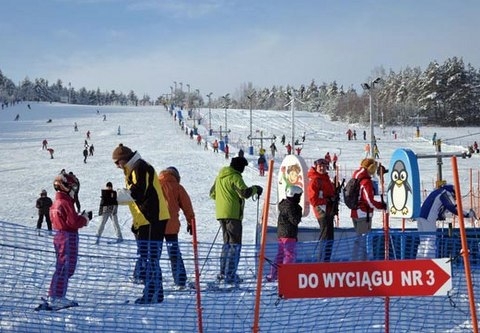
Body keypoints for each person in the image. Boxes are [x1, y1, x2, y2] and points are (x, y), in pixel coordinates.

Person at [112, 143, 170, 304]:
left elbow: (138, 192)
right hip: (145, 220)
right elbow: (136, 198)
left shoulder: (140, 167)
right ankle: (153, 292)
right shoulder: (133, 169)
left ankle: (153, 293)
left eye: (117, 162)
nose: (116, 166)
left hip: (153, 218)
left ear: (124, 159)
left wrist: (114, 197)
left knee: (151, 258)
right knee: (148, 257)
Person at [210, 156, 263, 284]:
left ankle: (223, 272)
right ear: (239, 167)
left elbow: (212, 193)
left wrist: (223, 201)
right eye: (243, 167)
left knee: (227, 244)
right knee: (235, 245)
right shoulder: (235, 177)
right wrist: (256, 188)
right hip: (233, 215)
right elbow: (244, 193)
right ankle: (230, 275)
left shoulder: (220, 176)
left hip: (221, 214)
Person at [46, 171, 91, 308]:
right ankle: (57, 297)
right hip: (67, 237)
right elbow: (73, 222)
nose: (74, 191)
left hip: (60, 235)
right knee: (66, 268)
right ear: (66, 186)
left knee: (61, 267)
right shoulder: (65, 201)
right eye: (74, 188)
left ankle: (54, 295)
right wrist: (84, 218)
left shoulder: (57, 201)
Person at [158, 167, 196, 289]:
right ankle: (180, 280)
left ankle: (149, 278)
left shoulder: (155, 184)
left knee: (153, 253)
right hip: (171, 227)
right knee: (174, 253)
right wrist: (191, 222)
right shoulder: (177, 187)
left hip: (155, 226)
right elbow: (187, 206)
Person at [416, 184, 475, 258]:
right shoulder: (445, 193)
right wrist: (467, 214)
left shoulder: (437, 192)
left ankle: (420, 262)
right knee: (430, 242)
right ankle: (429, 263)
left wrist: (440, 215)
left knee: (423, 243)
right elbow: (453, 207)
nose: (454, 198)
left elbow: (437, 206)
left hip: (421, 217)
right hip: (428, 218)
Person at [349, 158, 386, 261]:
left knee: (359, 239)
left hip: (355, 212)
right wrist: (381, 205)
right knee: (362, 241)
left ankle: (360, 261)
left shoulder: (357, 177)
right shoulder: (366, 181)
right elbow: (369, 200)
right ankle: (359, 263)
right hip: (363, 214)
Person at [266, 186, 303, 282]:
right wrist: (299, 211)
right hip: (289, 234)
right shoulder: (291, 206)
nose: (299, 198)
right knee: (289, 255)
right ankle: (286, 274)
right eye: (299, 196)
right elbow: (295, 220)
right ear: (294, 195)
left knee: (280, 254)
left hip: (281, 234)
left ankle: (273, 274)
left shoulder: (284, 205)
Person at [307, 158, 336, 262]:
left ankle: (326, 261)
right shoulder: (315, 180)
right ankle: (322, 261)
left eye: (324, 166)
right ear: (316, 166)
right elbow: (313, 200)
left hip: (329, 211)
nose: (322, 168)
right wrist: (326, 200)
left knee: (330, 238)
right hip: (322, 211)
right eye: (320, 166)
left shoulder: (325, 178)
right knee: (325, 238)